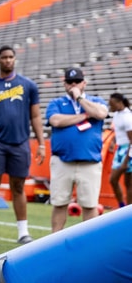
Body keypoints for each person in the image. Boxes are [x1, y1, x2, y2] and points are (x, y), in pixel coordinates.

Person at [0, 45, 45, 245]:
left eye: (11, 57)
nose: (7, 60)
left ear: (15, 59)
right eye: (4, 57)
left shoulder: (28, 85)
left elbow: (36, 115)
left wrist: (41, 143)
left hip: (20, 142)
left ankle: (23, 232)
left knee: (18, 186)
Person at [46, 68, 108, 232]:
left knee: (90, 205)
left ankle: (90, 245)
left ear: (84, 83)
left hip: (90, 161)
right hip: (62, 161)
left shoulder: (96, 100)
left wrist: (79, 97)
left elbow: (101, 113)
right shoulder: (57, 103)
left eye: (77, 82)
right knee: (59, 203)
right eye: (70, 82)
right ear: (64, 84)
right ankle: (54, 242)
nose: (73, 85)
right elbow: (56, 121)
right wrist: (84, 116)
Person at [109, 92, 132, 208]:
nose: (110, 107)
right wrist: (113, 142)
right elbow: (117, 131)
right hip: (120, 149)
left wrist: (125, 161)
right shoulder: (117, 114)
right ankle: (122, 206)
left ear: (119, 103)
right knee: (113, 180)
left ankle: (127, 211)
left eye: (112, 104)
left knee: (128, 183)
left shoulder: (128, 117)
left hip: (128, 150)